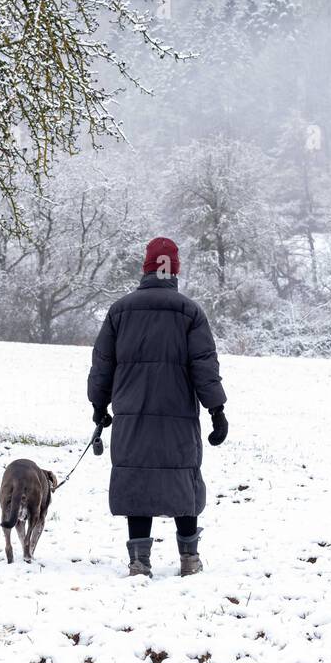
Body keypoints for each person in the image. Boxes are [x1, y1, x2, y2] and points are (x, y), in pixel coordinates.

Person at [87, 237, 228, 577]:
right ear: (174, 270)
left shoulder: (120, 311)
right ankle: (189, 560)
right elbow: (204, 366)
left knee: (137, 479)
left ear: (146, 268)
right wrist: (216, 410)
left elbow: (102, 363)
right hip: (178, 415)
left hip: (131, 414)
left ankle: (139, 562)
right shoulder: (190, 312)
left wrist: (98, 404)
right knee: (182, 478)